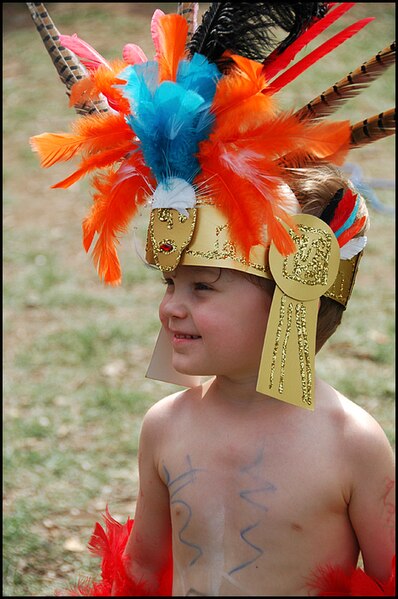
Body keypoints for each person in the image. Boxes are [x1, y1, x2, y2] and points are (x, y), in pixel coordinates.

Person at [28, 2, 395, 595]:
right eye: (171, 283)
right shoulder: (166, 427)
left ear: (290, 296)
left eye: (203, 287)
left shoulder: (351, 445)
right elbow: (142, 572)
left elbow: (389, 576)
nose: (172, 306)